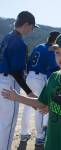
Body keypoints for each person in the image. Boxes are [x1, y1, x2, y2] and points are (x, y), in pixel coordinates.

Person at [0, 11, 39, 150]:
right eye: (32, 26)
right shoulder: (19, 42)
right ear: (26, 24)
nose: (32, 30)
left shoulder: (7, 37)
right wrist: (29, 93)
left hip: (2, 80)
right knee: (7, 126)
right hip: (8, 84)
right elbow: (16, 72)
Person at [18, 31, 60, 150]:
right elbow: (54, 68)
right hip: (39, 78)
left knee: (27, 106)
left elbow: (29, 61)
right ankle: (40, 136)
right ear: (55, 40)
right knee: (40, 107)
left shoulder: (38, 46)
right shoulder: (52, 48)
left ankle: (24, 134)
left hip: (29, 77)